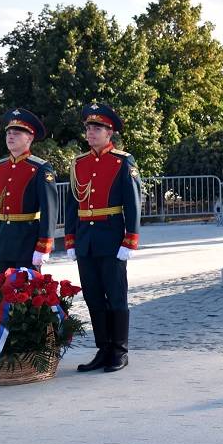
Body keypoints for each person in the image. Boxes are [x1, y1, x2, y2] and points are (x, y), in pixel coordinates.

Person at [66, 103, 141, 373]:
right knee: (93, 297)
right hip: (85, 239)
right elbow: (72, 204)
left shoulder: (122, 162)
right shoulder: (79, 163)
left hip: (111, 238)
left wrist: (130, 239)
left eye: (97, 128)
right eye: (88, 128)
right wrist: (71, 239)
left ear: (110, 133)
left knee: (116, 295)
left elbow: (133, 204)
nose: (91, 132)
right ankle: (103, 348)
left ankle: (120, 350)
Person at [0, 108, 57, 275]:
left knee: (29, 297)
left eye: (16, 133)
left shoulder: (40, 168)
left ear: (29, 138)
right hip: (3, 242)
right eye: (8, 132)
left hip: (28, 242)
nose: (10, 136)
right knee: (5, 295)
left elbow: (49, 209)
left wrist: (44, 245)